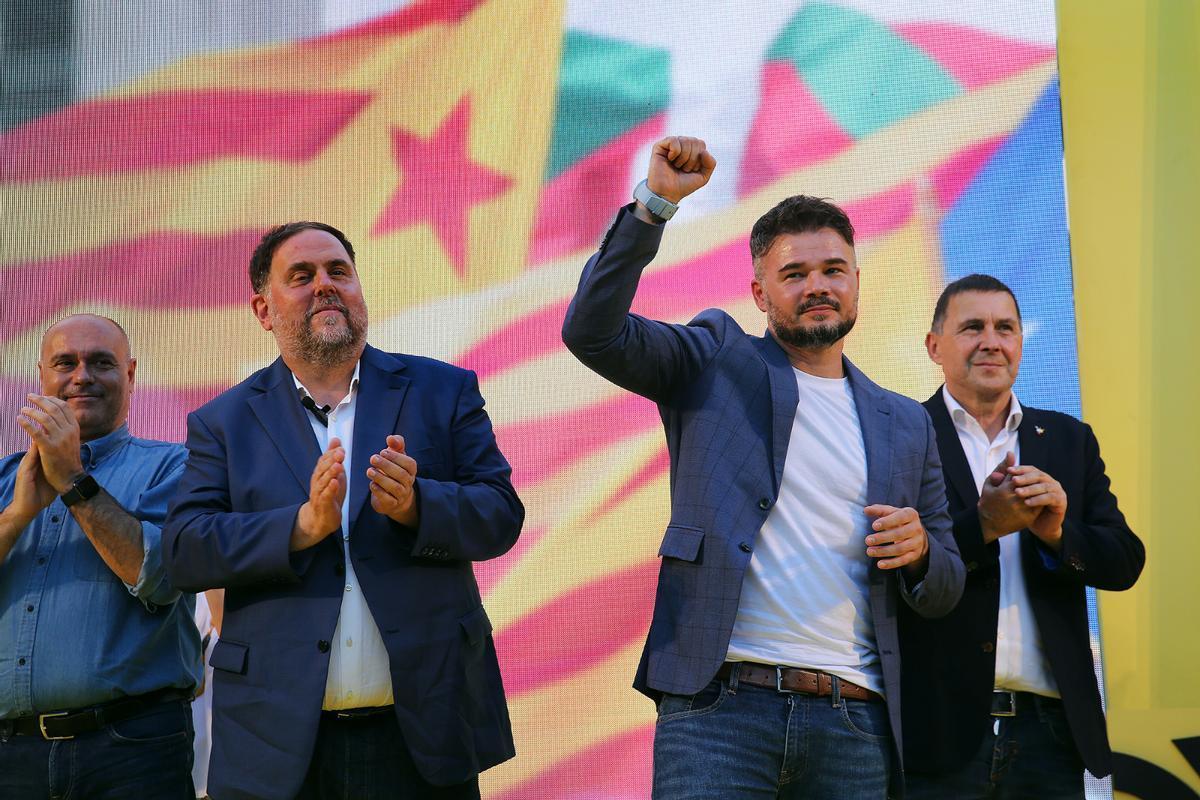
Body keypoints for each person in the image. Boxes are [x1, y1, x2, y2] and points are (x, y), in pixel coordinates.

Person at [561, 136, 965, 799]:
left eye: (834, 269)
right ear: (758, 291)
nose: (817, 286)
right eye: (795, 274)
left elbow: (943, 586)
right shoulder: (716, 357)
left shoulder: (907, 421)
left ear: (857, 281)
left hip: (855, 722)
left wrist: (922, 551)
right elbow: (593, 332)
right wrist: (654, 204)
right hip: (721, 711)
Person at [162, 221, 523, 800]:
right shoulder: (222, 422)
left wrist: (416, 504)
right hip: (277, 748)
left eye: (338, 271)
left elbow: (501, 514)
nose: (325, 285)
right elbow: (186, 550)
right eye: (301, 276)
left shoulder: (440, 390)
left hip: (424, 734)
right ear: (263, 309)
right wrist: (301, 527)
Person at [899, 274, 1145, 798]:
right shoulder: (902, 434)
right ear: (933, 346)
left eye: (1005, 327)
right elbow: (887, 568)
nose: (991, 340)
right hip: (936, 733)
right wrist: (984, 526)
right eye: (972, 327)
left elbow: (1124, 561)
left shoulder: (1067, 440)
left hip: (1048, 733)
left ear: (1020, 343)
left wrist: (1057, 533)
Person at [0, 314, 201, 799]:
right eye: (65, 362)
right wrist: (17, 515)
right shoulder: (5, 480)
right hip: (11, 754)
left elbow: (159, 578)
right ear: (41, 376)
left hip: (133, 749)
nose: (81, 376)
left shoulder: (176, 467)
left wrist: (73, 480)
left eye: (101, 363)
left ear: (130, 374)